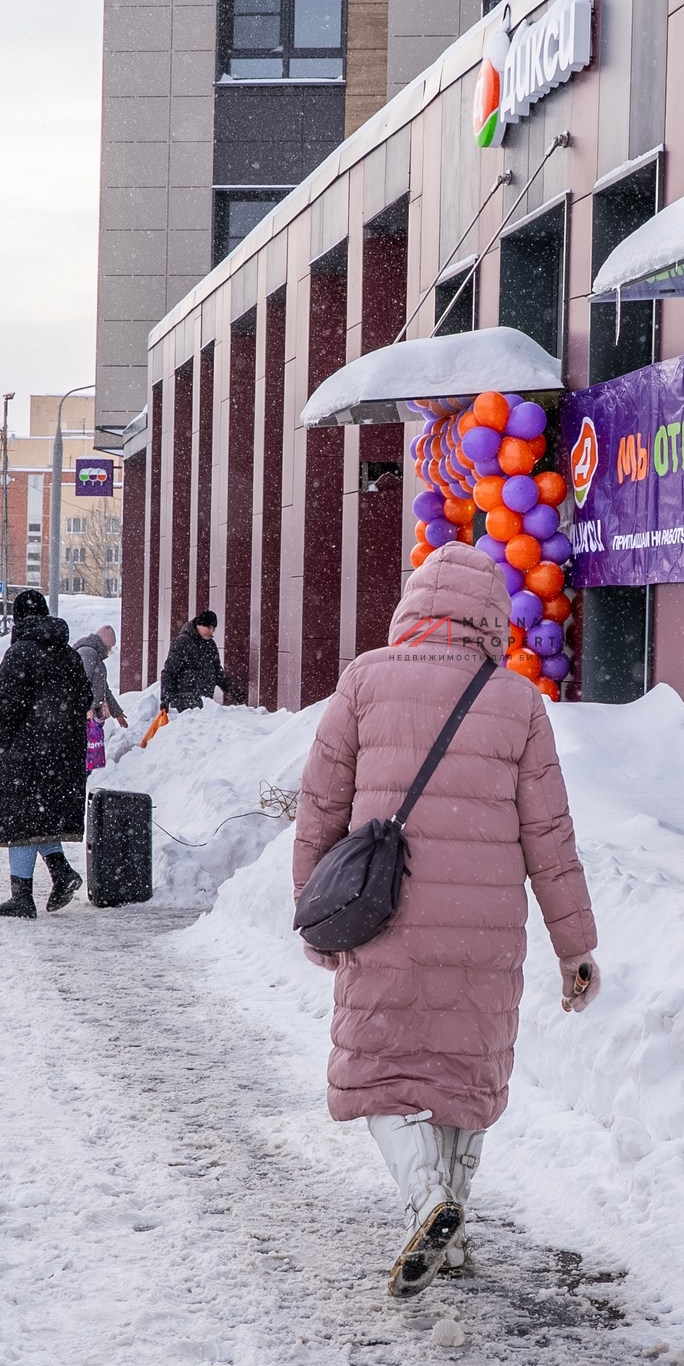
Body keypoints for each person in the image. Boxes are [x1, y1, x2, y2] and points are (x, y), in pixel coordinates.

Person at [290, 541, 599, 1298]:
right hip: (486, 927)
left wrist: (312, 906)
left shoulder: (366, 680)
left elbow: (320, 807)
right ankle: (453, 1222)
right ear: (491, 618)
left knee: (384, 1073)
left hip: (386, 911)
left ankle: (429, 1200)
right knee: (465, 1073)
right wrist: (575, 946)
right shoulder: (517, 701)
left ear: (414, 609)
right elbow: (549, 837)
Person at [0, 588, 93, 918]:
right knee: (40, 817)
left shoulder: (21, 653)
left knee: (21, 819)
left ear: (18, 620)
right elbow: (84, 699)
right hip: (62, 754)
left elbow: (10, 706)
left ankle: (22, 897)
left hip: (26, 753)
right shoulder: (69, 655)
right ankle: (61, 873)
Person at [159, 610, 223, 712]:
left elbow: (218, 673)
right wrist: (165, 698)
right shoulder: (183, 642)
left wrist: (233, 691)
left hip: (204, 704)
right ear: (199, 625)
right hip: (184, 705)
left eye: (214, 628)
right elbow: (169, 672)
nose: (212, 632)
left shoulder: (211, 646)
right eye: (209, 628)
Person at [73, 622, 127, 722]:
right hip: (83, 715)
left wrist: (117, 713)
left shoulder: (94, 655)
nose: (109, 650)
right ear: (104, 644)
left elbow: (104, 688)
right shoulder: (88, 653)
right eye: (109, 647)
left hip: (90, 715)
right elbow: (81, 683)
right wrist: (86, 707)